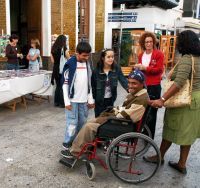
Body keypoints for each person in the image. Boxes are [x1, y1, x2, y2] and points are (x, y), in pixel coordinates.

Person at [144, 30, 200, 174]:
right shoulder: (198, 58)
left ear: (184, 43)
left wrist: (162, 99)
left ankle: (160, 156)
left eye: (179, 41)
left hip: (184, 100)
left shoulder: (188, 59)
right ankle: (181, 164)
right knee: (188, 132)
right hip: (196, 100)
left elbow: (179, 82)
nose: (177, 44)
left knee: (171, 127)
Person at [61, 69, 149, 158]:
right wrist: (114, 111)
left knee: (89, 127)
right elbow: (123, 110)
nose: (130, 85)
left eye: (134, 83)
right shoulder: (136, 94)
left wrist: (112, 114)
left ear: (142, 84)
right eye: (129, 82)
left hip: (124, 126)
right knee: (91, 122)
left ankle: (75, 152)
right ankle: (83, 147)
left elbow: (128, 115)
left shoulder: (141, 99)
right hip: (122, 122)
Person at [61, 41, 95, 150]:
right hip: (72, 100)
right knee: (72, 123)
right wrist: (66, 102)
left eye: (88, 55)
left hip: (84, 101)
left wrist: (90, 100)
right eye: (84, 55)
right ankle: (67, 143)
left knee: (82, 123)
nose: (86, 57)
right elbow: (65, 85)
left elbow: (89, 83)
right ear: (77, 53)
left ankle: (78, 142)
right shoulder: (70, 64)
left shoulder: (88, 64)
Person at [134, 31, 164, 138]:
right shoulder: (141, 55)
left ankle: (149, 136)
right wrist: (138, 68)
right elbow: (141, 72)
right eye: (146, 42)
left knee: (152, 112)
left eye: (151, 41)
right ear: (143, 43)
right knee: (142, 110)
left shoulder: (158, 54)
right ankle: (143, 132)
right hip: (143, 85)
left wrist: (145, 68)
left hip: (154, 86)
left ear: (154, 42)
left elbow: (159, 69)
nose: (149, 44)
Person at [92, 48, 128, 117]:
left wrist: (129, 89)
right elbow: (93, 86)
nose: (111, 59)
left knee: (108, 119)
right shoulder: (96, 71)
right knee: (98, 119)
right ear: (103, 58)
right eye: (108, 57)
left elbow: (123, 80)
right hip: (99, 101)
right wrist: (92, 100)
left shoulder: (116, 68)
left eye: (112, 57)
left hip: (111, 99)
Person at [51, 35, 70, 107]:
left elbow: (52, 61)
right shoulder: (64, 48)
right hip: (62, 69)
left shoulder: (53, 48)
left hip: (55, 69)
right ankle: (62, 103)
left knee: (58, 85)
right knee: (63, 86)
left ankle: (56, 102)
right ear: (64, 41)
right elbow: (69, 59)